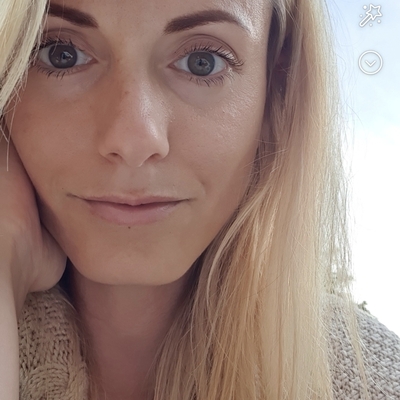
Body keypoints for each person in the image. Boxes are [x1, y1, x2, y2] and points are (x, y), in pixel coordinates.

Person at [0, 0, 399, 399]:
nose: (133, 141)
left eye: (202, 62)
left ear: (275, 89)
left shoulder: (374, 382)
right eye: (62, 54)